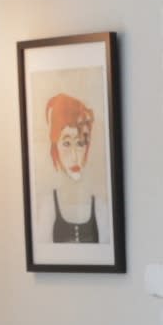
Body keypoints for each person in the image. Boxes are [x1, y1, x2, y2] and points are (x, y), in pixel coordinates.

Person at [41, 91, 104, 247]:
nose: (75, 157)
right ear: (55, 144)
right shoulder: (47, 205)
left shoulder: (101, 206)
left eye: (80, 143)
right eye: (67, 143)